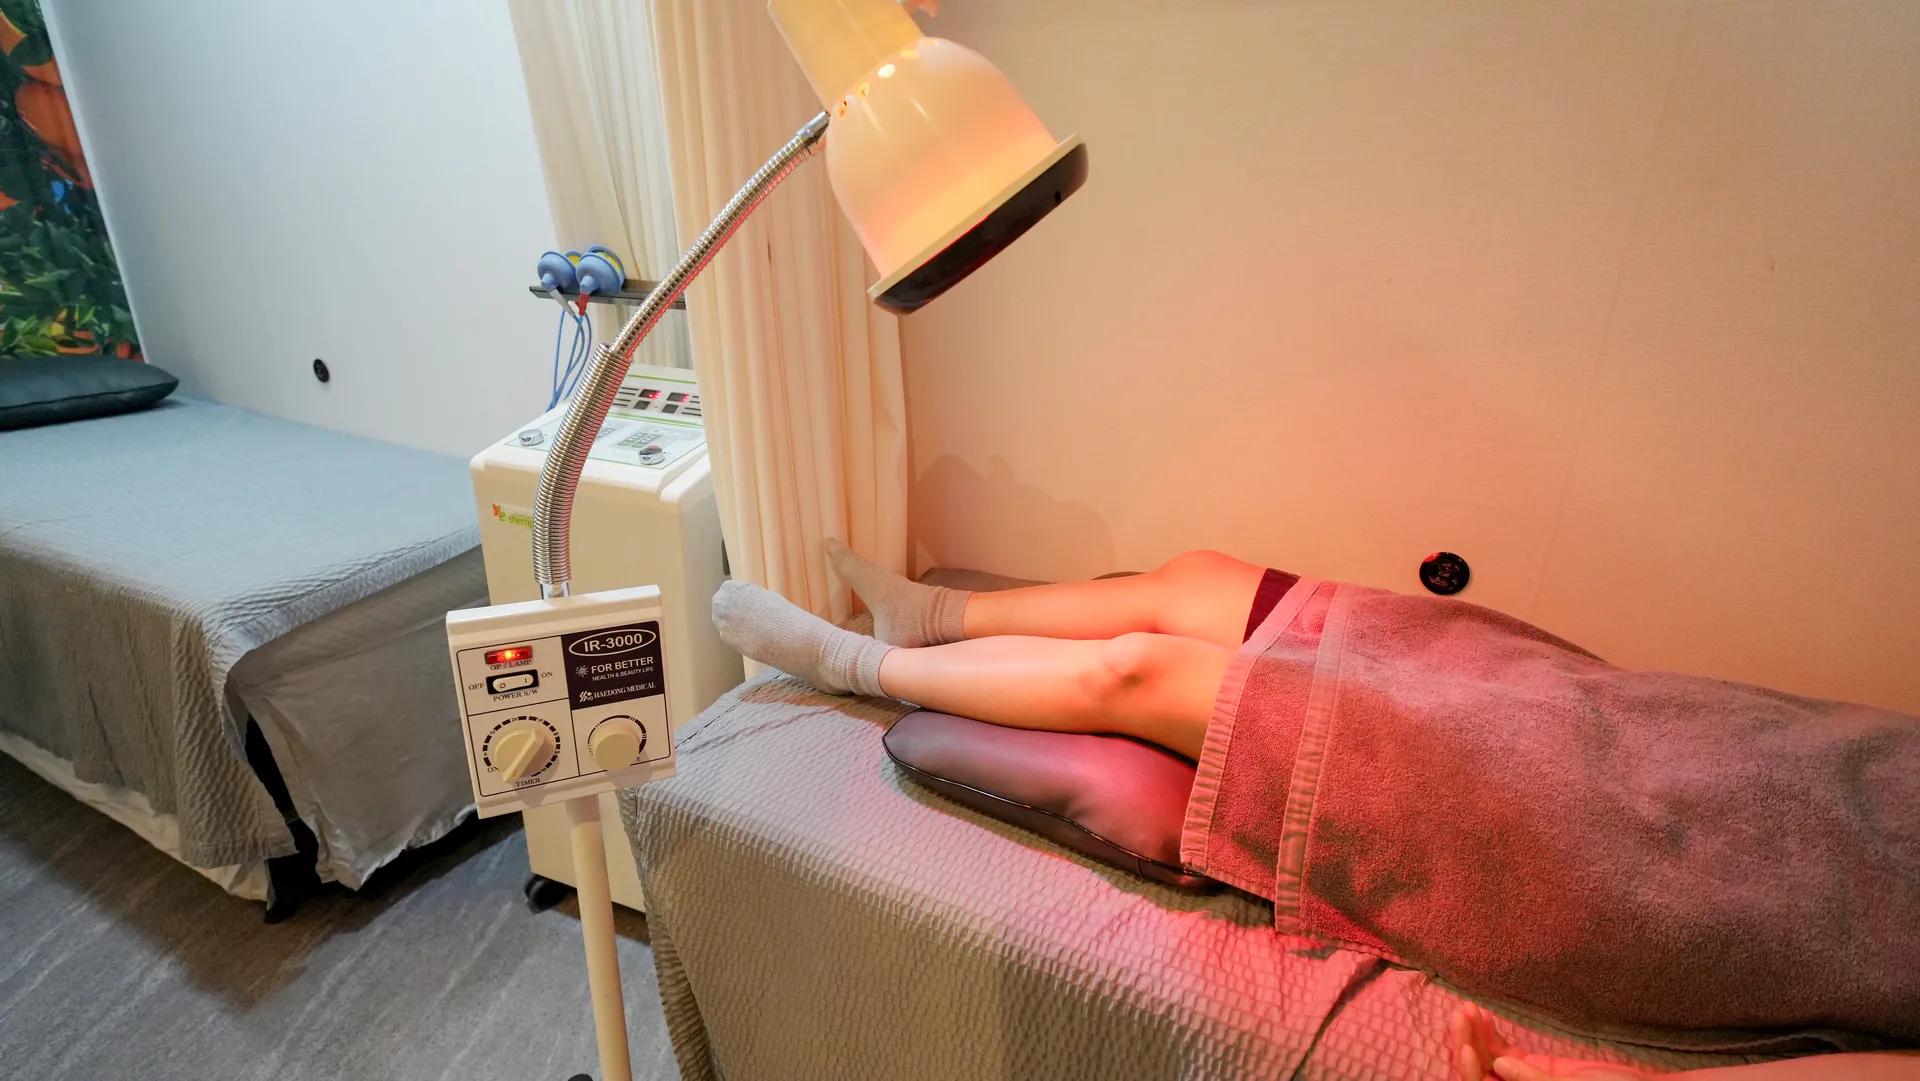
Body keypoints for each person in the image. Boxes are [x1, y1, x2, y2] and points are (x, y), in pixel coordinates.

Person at [713, 542, 1920, 1078]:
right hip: (1621, 722)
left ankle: (850, 666)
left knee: (1146, 672)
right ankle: (930, 616)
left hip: (1612, 840)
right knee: (1199, 579)